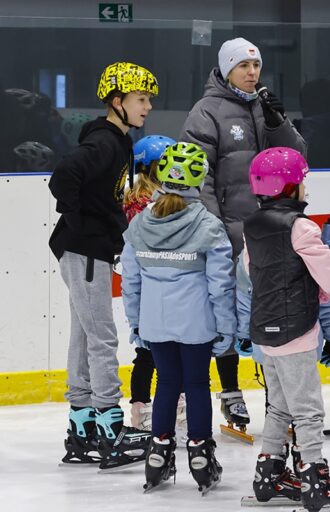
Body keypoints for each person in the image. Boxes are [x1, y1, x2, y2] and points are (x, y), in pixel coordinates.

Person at [179, 37, 307, 432]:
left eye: (256, 66)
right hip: (228, 232)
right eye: (243, 67)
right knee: (229, 318)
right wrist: (215, 231)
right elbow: (199, 177)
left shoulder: (264, 107)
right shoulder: (207, 112)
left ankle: (277, 399)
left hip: (271, 232)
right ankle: (231, 393)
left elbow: (298, 159)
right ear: (226, 69)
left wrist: (278, 124)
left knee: (274, 315)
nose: (252, 73)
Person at [49, 61, 157, 469]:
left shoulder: (116, 139)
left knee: (84, 334)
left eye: (148, 99)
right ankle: (110, 427)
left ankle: (82, 428)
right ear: (118, 102)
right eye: (140, 99)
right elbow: (63, 177)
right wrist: (84, 225)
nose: (147, 106)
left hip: (81, 248)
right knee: (102, 337)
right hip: (85, 250)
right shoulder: (106, 143)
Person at [243, 147, 330, 511]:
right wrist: (322, 287)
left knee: (279, 405)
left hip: (265, 328)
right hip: (297, 328)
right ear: (288, 187)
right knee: (307, 410)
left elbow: (249, 270)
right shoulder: (301, 226)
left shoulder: (252, 225)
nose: (305, 187)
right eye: (302, 181)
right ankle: (314, 476)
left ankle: (269, 471)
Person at [121, 142, 234, 494]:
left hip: (156, 322)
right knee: (197, 384)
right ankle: (200, 454)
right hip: (196, 323)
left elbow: (131, 280)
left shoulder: (140, 223)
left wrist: (137, 323)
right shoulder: (209, 226)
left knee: (166, 383)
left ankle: (158, 453)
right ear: (200, 179)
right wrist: (226, 329)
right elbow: (221, 285)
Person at [122, 135, 178, 434]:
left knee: (150, 352)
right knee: (150, 352)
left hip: (154, 283)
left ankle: (145, 408)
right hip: (153, 282)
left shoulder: (144, 195)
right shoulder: (144, 200)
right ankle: (143, 408)